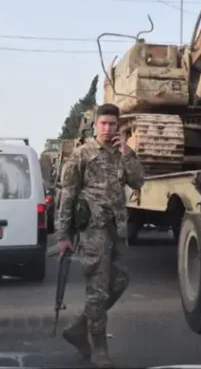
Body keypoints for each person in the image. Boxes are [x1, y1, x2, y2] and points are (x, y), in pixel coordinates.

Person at [54, 103, 145, 368]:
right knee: (97, 289)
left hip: (117, 228)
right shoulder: (81, 154)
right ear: (95, 125)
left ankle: (79, 327)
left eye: (112, 124)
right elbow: (68, 196)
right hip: (93, 229)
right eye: (103, 123)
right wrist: (63, 235)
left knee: (120, 281)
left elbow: (138, 181)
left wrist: (127, 154)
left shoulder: (123, 153)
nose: (107, 128)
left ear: (118, 126)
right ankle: (99, 348)